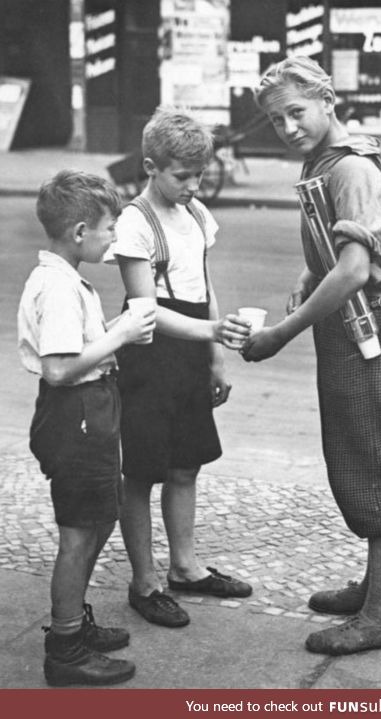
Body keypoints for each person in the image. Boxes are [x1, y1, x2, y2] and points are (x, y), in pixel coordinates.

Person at [243, 56, 381, 656]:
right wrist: (306, 268)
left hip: (372, 327)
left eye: (297, 112)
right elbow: (339, 246)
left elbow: (353, 269)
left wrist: (281, 333)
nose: (288, 127)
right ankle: (380, 589)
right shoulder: (328, 164)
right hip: (353, 326)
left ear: (328, 100)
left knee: (374, 455)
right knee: (356, 447)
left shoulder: (351, 170)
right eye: (275, 120)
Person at [105, 106, 252, 630]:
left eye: (200, 175)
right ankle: (145, 581)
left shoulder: (194, 215)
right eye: (182, 175)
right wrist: (210, 333)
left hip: (190, 348)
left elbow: (204, 284)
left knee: (185, 463)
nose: (193, 185)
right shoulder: (133, 222)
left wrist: (214, 355)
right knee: (142, 470)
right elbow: (145, 308)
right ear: (149, 166)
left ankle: (185, 566)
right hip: (147, 352)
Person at [17, 170, 158, 686]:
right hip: (75, 412)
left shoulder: (64, 277)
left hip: (89, 409)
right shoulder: (57, 286)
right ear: (79, 232)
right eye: (109, 228)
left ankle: (73, 618)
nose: (114, 239)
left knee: (99, 516)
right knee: (80, 532)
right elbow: (58, 368)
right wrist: (121, 333)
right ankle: (66, 648)